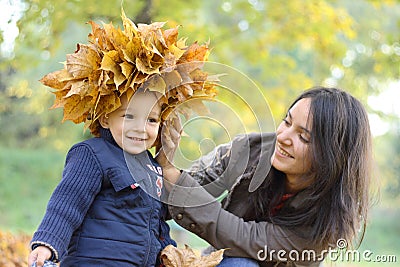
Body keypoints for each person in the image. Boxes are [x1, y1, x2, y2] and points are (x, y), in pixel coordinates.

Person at [28, 10, 218, 267]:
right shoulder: (93, 154)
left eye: (151, 120)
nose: (140, 128)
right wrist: (46, 244)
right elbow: (67, 204)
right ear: (105, 119)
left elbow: (157, 225)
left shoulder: (153, 168)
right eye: (129, 117)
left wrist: (169, 256)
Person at [157, 86, 373, 267]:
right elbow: (195, 182)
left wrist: (172, 175)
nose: (283, 137)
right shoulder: (250, 151)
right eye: (286, 122)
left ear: (332, 157)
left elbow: (244, 238)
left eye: (303, 137)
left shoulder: (327, 222)